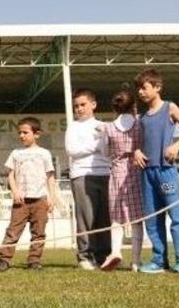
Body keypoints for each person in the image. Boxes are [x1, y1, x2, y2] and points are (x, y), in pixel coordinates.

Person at [134, 69, 179, 274]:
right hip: (147, 173)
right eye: (139, 88)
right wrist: (136, 152)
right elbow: (140, 143)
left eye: (144, 87)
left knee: (176, 216)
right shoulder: (142, 117)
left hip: (166, 170)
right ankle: (159, 260)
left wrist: (176, 146)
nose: (141, 92)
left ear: (157, 87)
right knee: (152, 218)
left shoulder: (170, 107)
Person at [0, 117, 58, 272]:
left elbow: (50, 176)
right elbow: (10, 174)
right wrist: (15, 191)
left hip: (40, 200)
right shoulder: (16, 153)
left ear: (36, 134)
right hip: (21, 201)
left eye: (25, 132)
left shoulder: (44, 153)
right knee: (13, 231)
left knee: (39, 232)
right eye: (20, 133)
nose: (22, 136)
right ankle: (4, 259)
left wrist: (52, 197)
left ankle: (34, 260)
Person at [65, 88, 111, 270]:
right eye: (76, 106)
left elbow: (107, 152)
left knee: (104, 218)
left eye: (83, 104)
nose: (79, 109)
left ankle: (104, 255)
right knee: (86, 218)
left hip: (105, 173)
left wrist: (100, 144)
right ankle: (85, 255)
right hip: (82, 174)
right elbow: (73, 150)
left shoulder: (104, 126)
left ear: (93, 104)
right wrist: (95, 145)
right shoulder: (73, 127)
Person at [100, 91, 145, 271]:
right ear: (133, 106)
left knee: (116, 217)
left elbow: (104, 152)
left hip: (117, 171)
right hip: (137, 169)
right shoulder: (140, 125)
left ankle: (116, 251)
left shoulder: (109, 128)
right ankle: (136, 260)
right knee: (137, 219)